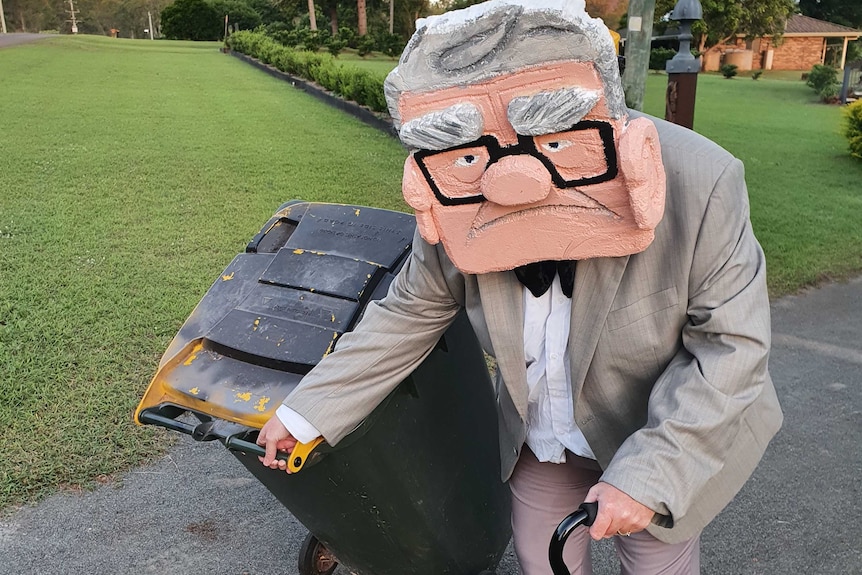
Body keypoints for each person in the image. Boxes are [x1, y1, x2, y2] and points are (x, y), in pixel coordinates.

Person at [256, 1, 783, 573]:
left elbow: (731, 347)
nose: (513, 179)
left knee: (657, 562)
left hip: (660, 429)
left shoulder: (703, 182)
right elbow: (412, 309)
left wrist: (650, 476)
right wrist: (308, 411)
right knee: (542, 562)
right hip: (543, 439)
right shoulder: (452, 187)